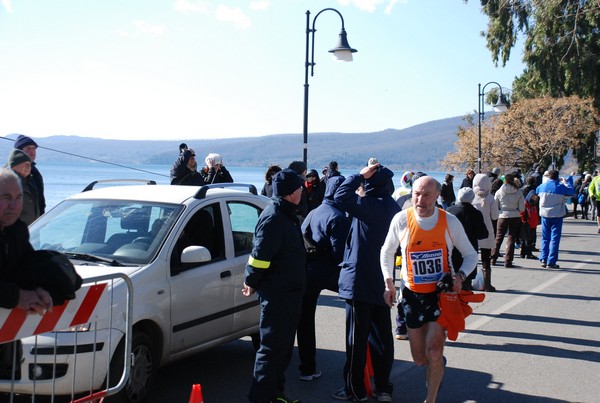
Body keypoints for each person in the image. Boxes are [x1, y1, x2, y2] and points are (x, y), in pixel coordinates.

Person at [380, 176, 478, 403]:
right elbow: (386, 252)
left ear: (437, 196)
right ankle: (436, 362)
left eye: (426, 195)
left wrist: (460, 276)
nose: (420, 199)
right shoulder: (401, 220)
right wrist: (388, 281)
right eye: (416, 193)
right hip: (412, 296)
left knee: (433, 352)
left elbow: (470, 255)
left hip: (440, 295)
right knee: (419, 359)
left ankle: (430, 399)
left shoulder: (449, 222)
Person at [332, 161, 399, 402]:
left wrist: (358, 176)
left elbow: (340, 195)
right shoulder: (393, 207)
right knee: (382, 338)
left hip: (359, 281)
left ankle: (355, 388)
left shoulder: (368, 206)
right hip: (383, 280)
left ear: (369, 186)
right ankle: (383, 387)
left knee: (356, 340)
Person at [242, 169, 305, 403]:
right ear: (290, 194)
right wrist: (251, 280)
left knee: (283, 351)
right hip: (278, 296)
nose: (302, 192)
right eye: (299, 189)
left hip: (290, 294)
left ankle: (275, 395)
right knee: (270, 351)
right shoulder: (274, 218)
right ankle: (259, 399)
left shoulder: (286, 213)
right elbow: (259, 256)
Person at [296, 175, 350, 381]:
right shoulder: (338, 217)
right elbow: (340, 254)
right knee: (358, 306)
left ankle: (307, 368)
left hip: (307, 270)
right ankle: (357, 366)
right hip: (328, 271)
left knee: (305, 321)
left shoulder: (313, 212)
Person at [0, 168, 53, 314]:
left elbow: (28, 266)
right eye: (6, 197)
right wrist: (18, 297)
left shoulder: (16, 231)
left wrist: (38, 288)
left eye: (19, 197)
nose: (14, 205)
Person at [446, 187, 488, 290]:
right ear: (472, 198)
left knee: (448, 286)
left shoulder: (449, 211)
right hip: (469, 252)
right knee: (465, 286)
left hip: (451, 251)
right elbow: (483, 234)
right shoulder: (476, 213)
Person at [536, 170, 575, 268]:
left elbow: (537, 193)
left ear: (549, 176)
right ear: (558, 177)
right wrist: (567, 182)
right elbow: (571, 192)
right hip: (557, 215)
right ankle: (551, 261)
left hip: (545, 214)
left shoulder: (542, 187)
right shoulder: (560, 187)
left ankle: (543, 259)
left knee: (545, 238)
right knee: (555, 239)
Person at [490, 173, 525, 268]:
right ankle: (508, 261)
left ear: (504, 180)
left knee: (498, 237)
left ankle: (493, 258)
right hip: (515, 216)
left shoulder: (499, 192)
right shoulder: (518, 192)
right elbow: (522, 208)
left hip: (502, 215)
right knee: (511, 238)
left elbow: (495, 206)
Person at [472, 173, 499, 291]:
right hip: (486, 230)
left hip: (472, 231)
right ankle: (487, 283)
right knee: (485, 258)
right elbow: (495, 216)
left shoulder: (470, 195)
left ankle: (469, 282)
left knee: (471, 257)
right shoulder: (489, 197)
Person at [7, 149, 40, 225]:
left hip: (31, 232)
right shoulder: (7, 184)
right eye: (25, 164)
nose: (28, 166)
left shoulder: (30, 184)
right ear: (14, 165)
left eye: (29, 164)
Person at [14, 135, 46, 215]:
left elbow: (40, 200)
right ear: (19, 151)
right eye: (28, 148)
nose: (32, 151)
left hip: (35, 224)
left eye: (34, 148)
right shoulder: (9, 173)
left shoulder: (35, 172)